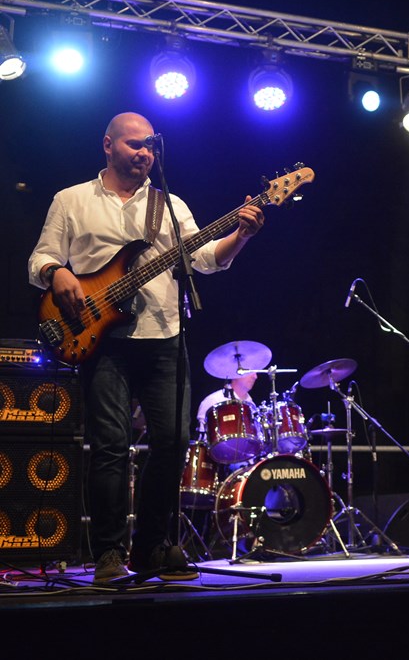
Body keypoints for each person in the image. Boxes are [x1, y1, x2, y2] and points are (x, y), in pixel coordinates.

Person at [27, 112, 264, 582]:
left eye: (151, 146)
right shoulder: (71, 199)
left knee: (174, 443)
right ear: (108, 145)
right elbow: (40, 258)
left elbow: (205, 259)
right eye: (135, 144)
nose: (145, 153)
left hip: (165, 336)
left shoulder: (169, 205)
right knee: (111, 447)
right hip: (101, 339)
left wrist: (240, 235)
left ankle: (152, 546)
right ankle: (109, 553)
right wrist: (58, 273)